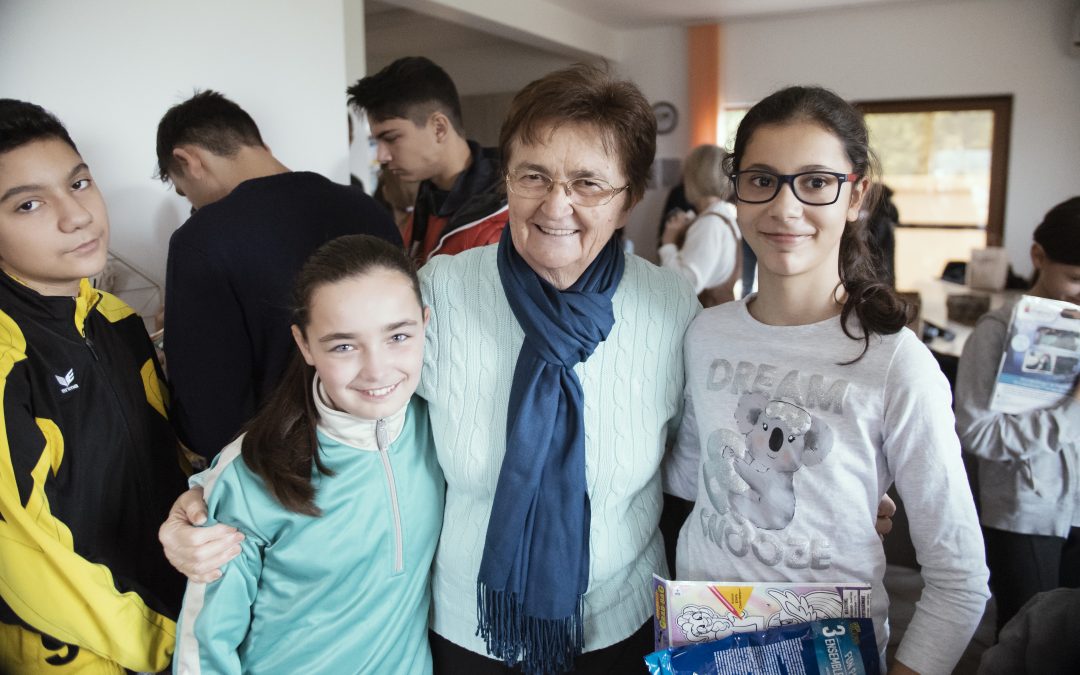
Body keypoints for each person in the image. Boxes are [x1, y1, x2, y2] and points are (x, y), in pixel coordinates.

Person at [161, 63, 699, 674]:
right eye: (534, 176)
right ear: (507, 180)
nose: (557, 204)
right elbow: (346, 405)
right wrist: (212, 495)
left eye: (588, 184)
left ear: (629, 200)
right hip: (470, 628)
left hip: (622, 623)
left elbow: (698, 466)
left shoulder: (670, 307)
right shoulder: (441, 290)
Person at [662, 85, 990, 675]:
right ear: (737, 189)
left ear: (856, 195)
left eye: (815, 182)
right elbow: (691, 483)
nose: (784, 208)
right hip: (703, 641)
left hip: (829, 652)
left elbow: (959, 579)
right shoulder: (705, 333)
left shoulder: (896, 363)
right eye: (762, 180)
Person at [173, 235, 442, 673]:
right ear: (305, 345)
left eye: (398, 336)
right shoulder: (253, 469)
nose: (377, 369)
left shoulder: (439, 426)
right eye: (343, 346)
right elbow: (203, 644)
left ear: (424, 324)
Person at [0, 99, 186, 673]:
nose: (77, 215)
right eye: (28, 204)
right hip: (81, 651)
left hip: (171, 613)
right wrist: (165, 641)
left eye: (78, 183)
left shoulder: (116, 320)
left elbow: (167, 459)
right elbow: (23, 552)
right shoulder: (8, 358)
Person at [156, 90, 400, 459]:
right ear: (261, 146)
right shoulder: (368, 210)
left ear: (188, 160)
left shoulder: (201, 240)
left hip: (280, 468)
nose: (192, 204)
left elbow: (210, 420)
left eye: (183, 191)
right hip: (385, 446)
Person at [954, 196, 1080, 637]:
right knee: (1027, 639)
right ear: (1038, 256)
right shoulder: (997, 331)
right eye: (1076, 278)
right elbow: (977, 433)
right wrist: (1073, 410)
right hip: (1025, 510)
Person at [347, 56, 508, 264]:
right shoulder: (427, 202)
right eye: (377, 141)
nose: (381, 156)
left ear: (439, 128)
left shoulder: (506, 219)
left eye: (391, 138)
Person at [659, 144, 741, 307]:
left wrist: (668, 242)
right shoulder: (723, 216)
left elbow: (684, 288)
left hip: (705, 317)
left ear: (694, 177)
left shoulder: (710, 224)